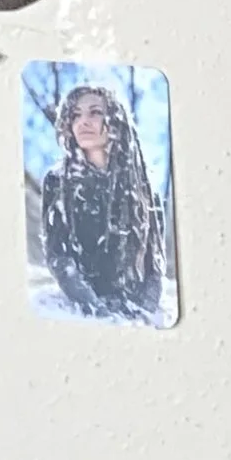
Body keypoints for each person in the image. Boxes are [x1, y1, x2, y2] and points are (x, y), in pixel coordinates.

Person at [39, 80, 168, 320]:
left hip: (137, 312)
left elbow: (155, 268)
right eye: (75, 115)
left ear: (116, 121)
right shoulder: (58, 182)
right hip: (81, 311)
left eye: (95, 112)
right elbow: (59, 258)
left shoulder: (145, 190)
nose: (83, 122)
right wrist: (97, 310)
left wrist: (144, 312)